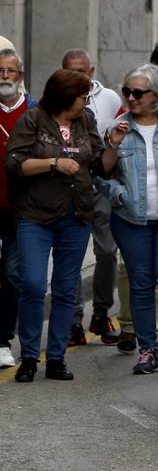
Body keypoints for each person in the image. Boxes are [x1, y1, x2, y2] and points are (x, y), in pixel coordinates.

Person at [5, 69, 103, 383]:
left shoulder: (86, 120)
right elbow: (15, 162)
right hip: (35, 214)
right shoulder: (33, 119)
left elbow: (100, 163)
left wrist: (112, 144)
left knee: (64, 289)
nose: (86, 101)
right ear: (64, 97)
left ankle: (56, 358)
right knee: (33, 284)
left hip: (76, 215)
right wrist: (54, 163)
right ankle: (30, 357)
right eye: (81, 95)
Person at [101, 65, 158, 376]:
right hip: (131, 220)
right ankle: (147, 350)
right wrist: (120, 194)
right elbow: (101, 175)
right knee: (141, 285)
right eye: (128, 91)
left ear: (157, 95)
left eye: (138, 92)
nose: (131, 97)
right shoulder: (118, 126)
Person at [58, 49, 122, 348]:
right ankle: (73, 321)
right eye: (72, 72)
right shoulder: (53, 101)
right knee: (70, 255)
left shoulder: (110, 98)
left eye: (83, 72)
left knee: (107, 252)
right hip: (68, 188)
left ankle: (101, 313)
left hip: (100, 185)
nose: (78, 78)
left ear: (92, 71)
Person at [0, 48, 35, 367]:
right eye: (1, 71)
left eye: (11, 71)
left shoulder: (33, 111)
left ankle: (3, 340)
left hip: (19, 207)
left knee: (12, 273)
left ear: (20, 76)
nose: (6, 77)